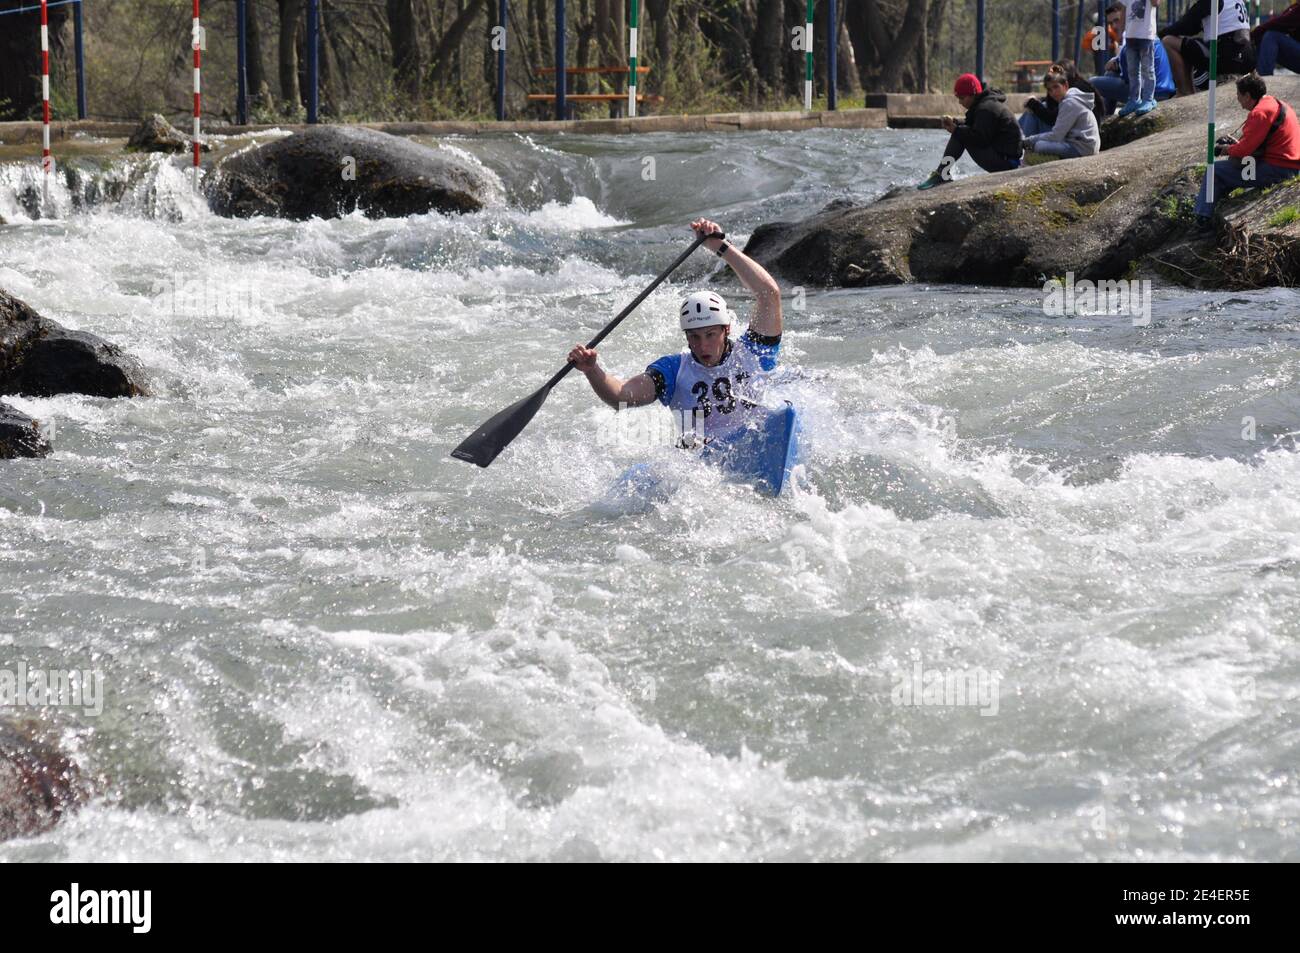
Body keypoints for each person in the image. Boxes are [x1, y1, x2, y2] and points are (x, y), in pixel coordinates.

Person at [568, 218, 783, 445]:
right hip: (702, 465)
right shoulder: (673, 371)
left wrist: (720, 247)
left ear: (726, 329)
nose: (702, 346)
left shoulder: (754, 353)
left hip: (754, 443)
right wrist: (592, 370)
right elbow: (621, 397)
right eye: (694, 336)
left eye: (710, 334)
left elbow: (768, 294)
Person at [1194, 73, 1300, 227]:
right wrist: (1236, 146)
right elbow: (1256, 144)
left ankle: (1202, 220)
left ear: (1248, 96)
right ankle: (1214, 207)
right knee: (1230, 169)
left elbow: (1244, 150)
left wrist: (1226, 149)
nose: (1238, 100)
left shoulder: (1259, 113)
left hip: (1279, 169)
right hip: (1288, 163)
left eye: (1238, 95)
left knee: (1214, 171)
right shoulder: (1276, 103)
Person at [917, 73, 1023, 190]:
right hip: (1004, 159)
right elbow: (975, 128)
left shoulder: (986, 109)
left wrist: (956, 130)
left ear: (973, 95)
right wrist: (955, 122)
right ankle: (942, 173)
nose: (960, 102)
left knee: (959, 134)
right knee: (959, 132)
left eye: (962, 98)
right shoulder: (985, 104)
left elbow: (979, 139)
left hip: (1007, 164)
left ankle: (942, 174)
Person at [1159, 0, 1254, 96]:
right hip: (1246, 58)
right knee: (1188, 44)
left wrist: (1161, 34)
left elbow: (1186, 25)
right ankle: (1189, 91)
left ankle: (1185, 92)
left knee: (1168, 41)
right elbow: (1194, 27)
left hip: (1225, 58)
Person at [1023, 67, 1102, 159]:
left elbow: (1056, 136)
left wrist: (1029, 141)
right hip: (1085, 145)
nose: (1053, 92)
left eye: (1056, 87)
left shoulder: (1069, 103)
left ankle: (1024, 147)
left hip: (1082, 148)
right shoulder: (1070, 98)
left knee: (1039, 145)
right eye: (1050, 89)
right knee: (1036, 138)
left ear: (1065, 86)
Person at [1022, 60, 1108, 135]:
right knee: (1036, 107)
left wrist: (1033, 104)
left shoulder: (1075, 92)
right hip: (1074, 132)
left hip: (1079, 137)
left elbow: (1053, 118)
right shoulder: (1076, 84)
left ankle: (1025, 144)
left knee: (1032, 112)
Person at [1116, 0, 1161, 116]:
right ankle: (1134, 99)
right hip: (1130, 36)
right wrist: (1120, 32)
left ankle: (1148, 99)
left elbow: (1156, 3)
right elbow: (1124, 10)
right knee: (1132, 71)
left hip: (1146, 35)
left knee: (1148, 69)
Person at [1252, 2, 1300, 76]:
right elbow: (1280, 23)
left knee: (1272, 36)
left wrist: (1252, 35)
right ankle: (1253, 74)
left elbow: (1282, 22)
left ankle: (1264, 77)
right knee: (1262, 39)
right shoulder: (1295, 6)